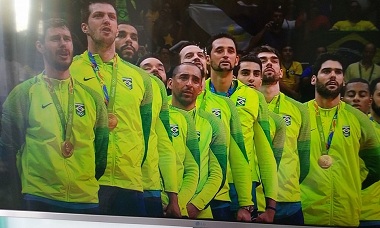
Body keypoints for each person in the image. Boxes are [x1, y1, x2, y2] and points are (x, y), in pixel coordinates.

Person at [0, 18, 109, 213]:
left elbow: (100, 155)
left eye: (67, 39)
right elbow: (7, 150)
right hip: (39, 198)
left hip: (86, 200)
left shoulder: (93, 98)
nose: (63, 44)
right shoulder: (24, 93)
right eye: (55, 39)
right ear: (40, 46)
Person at [70, 0, 153, 217]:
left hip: (130, 183)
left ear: (116, 28)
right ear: (84, 27)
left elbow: (144, 131)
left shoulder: (141, 78)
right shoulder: (70, 70)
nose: (107, 20)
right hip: (84, 183)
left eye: (112, 17)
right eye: (98, 16)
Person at [301, 52, 380, 226]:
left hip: (346, 213)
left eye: (338, 72)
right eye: (326, 71)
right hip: (305, 212)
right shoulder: (298, 114)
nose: (332, 75)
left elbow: (376, 166)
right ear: (314, 79)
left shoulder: (359, 119)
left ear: (343, 80)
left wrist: (350, 187)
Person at [205, 33, 278, 223]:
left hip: (243, 187)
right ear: (208, 58)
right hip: (204, 182)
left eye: (231, 51)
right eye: (219, 50)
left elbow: (265, 152)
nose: (225, 55)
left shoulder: (255, 97)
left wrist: (271, 205)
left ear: (237, 59)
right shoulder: (197, 93)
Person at [178, 43, 253, 222]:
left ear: (207, 61)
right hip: (175, 195)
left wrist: (244, 202)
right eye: (189, 56)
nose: (196, 58)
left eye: (200, 55)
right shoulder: (165, 105)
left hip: (218, 196)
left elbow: (237, 155)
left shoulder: (226, 104)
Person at [116, 22, 180, 218]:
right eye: (122, 35)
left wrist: (173, 196)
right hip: (108, 182)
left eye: (134, 37)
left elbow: (164, 144)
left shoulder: (154, 87)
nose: (129, 40)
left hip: (149, 184)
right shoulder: (90, 73)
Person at [250, 45, 310, 225]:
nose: (268, 64)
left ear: (281, 72)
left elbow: (304, 160)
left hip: (288, 200)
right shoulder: (240, 107)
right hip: (250, 201)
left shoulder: (300, 109)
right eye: (262, 61)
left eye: (273, 61)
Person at [168, 62, 227, 219]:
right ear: (170, 83)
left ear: (201, 88)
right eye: (183, 77)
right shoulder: (158, 114)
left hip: (198, 212)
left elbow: (218, 172)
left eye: (195, 80)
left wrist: (194, 206)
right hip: (161, 207)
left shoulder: (212, 123)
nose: (189, 84)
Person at [235, 53, 286, 215]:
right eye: (245, 73)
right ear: (234, 76)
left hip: (250, 184)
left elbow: (272, 160)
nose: (251, 79)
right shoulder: (221, 105)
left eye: (256, 74)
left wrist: (271, 206)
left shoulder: (276, 121)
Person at [343, 77, 380, 227]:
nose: (356, 99)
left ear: (370, 101)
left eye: (362, 95)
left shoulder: (375, 130)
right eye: (351, 95)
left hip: (371, 212)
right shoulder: (331, 128)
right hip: (341, 211)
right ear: (342, 99)